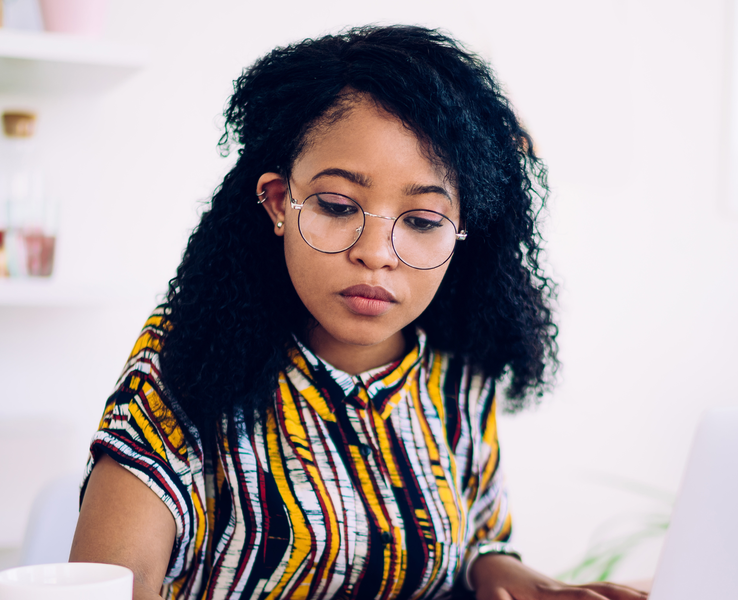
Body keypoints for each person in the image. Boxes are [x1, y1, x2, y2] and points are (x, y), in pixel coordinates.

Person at [70, 25, 646, 600]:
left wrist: (518, 579)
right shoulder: (188, 354)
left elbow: (476, 541)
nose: (375, 253)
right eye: (339, 206)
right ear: (278, 203)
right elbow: (113, 585)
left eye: (421, 220)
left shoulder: (457, 367)